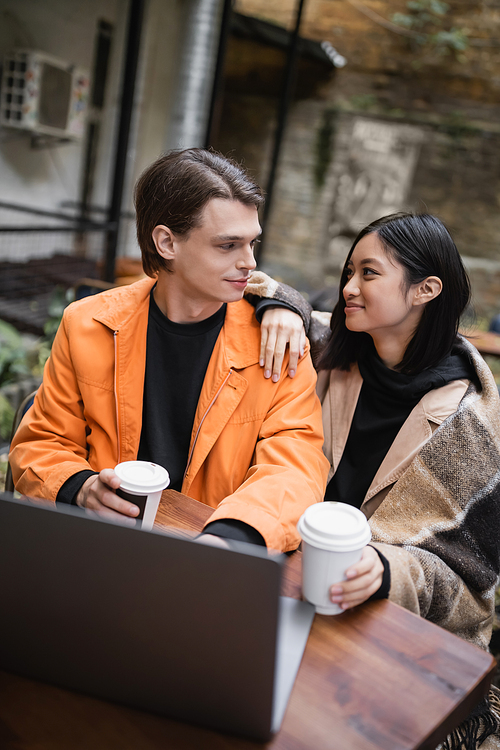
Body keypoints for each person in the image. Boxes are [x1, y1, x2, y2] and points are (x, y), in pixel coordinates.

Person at [248, 213, 500, 747]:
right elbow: (247, 281)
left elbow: (474, 589)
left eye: (368, 273)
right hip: (292, 594)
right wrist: (280, 308)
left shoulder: (468, 424)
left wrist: (385, 569)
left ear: (426, 290)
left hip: (389, 639)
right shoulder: (333, 352)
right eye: (347, 272)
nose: (347, 288)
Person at [9, 148, 329, 552]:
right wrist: (82, 487)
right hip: (98, 543)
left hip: (217, 555)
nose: (250, 262)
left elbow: (294, 467)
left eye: (251, 243)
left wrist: (231, 537)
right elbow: (42, 441)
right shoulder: (86, 323)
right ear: (166, 242)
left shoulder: (278, 341)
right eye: (227, 245)